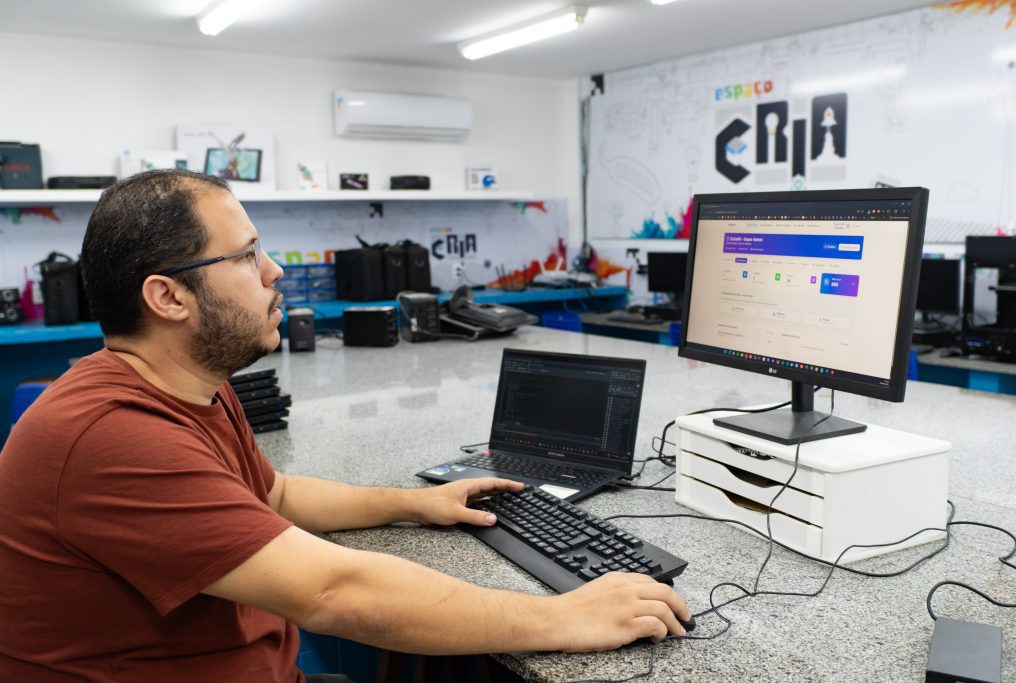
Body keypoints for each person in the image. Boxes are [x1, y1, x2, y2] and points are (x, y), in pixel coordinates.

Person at [0, 169, 690, 682]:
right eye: (244, 256)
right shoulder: (111, 434)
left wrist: (414, 503)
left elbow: (272, 498)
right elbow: (334, 593)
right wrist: (563, 616)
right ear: (168, 296)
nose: (273, 271)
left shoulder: (192, 383)